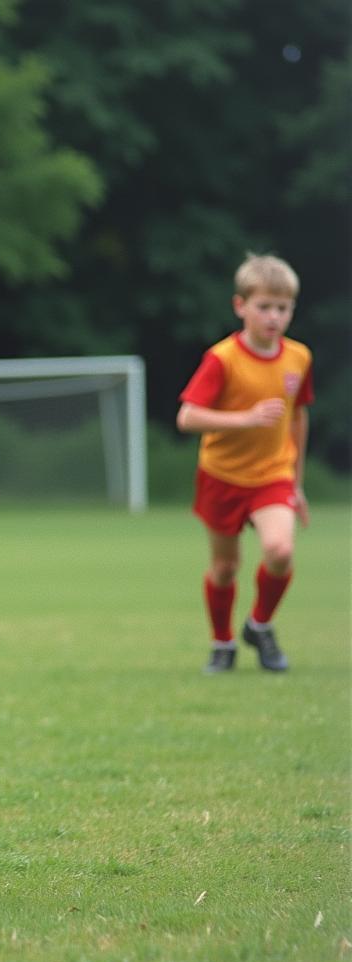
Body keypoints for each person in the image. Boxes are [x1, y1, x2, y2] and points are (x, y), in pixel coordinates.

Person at [177, 253, 313, 675]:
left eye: (283, 308)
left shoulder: (299, 358)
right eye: (264, 306)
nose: (274, 317)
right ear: (241, 307)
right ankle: (223, 644)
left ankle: (260, 625)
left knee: (280, 550)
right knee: (225, 567)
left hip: (273, 474)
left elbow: (298, 415)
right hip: (222, 475)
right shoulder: (222, 359)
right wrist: (245, 419)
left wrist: (297, 481)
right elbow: (187, 417)